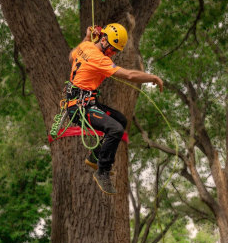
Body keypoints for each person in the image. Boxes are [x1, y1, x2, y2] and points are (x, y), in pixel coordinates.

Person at [67, 23, 163, 195]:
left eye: (115, 52)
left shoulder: (86, 46)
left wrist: (87, 37)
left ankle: (95, 157)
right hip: (79, 108)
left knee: (120, 120)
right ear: (103, 40)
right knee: (115, 129)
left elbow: (71, 57)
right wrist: (152, 77)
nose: (112, 55)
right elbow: (129, 75)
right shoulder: (99, 58)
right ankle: (102, 171)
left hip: (86, 102)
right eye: (112, 50)